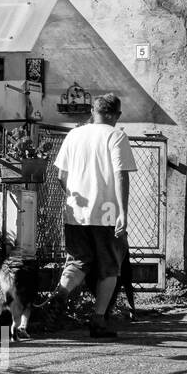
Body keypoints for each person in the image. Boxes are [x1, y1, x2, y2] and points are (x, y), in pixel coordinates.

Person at [49, 93, 136, 337]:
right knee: (110, 267)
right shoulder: (116, 136)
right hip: (107, 212)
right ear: (114, 114)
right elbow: (121, 175)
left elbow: (60, 176)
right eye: (118, 115)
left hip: (75, 212)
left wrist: (75, 198)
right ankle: (98, 320)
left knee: (78, 259)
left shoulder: (73, 134)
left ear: (93, 111)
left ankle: (61, 293)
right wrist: (123, 213)